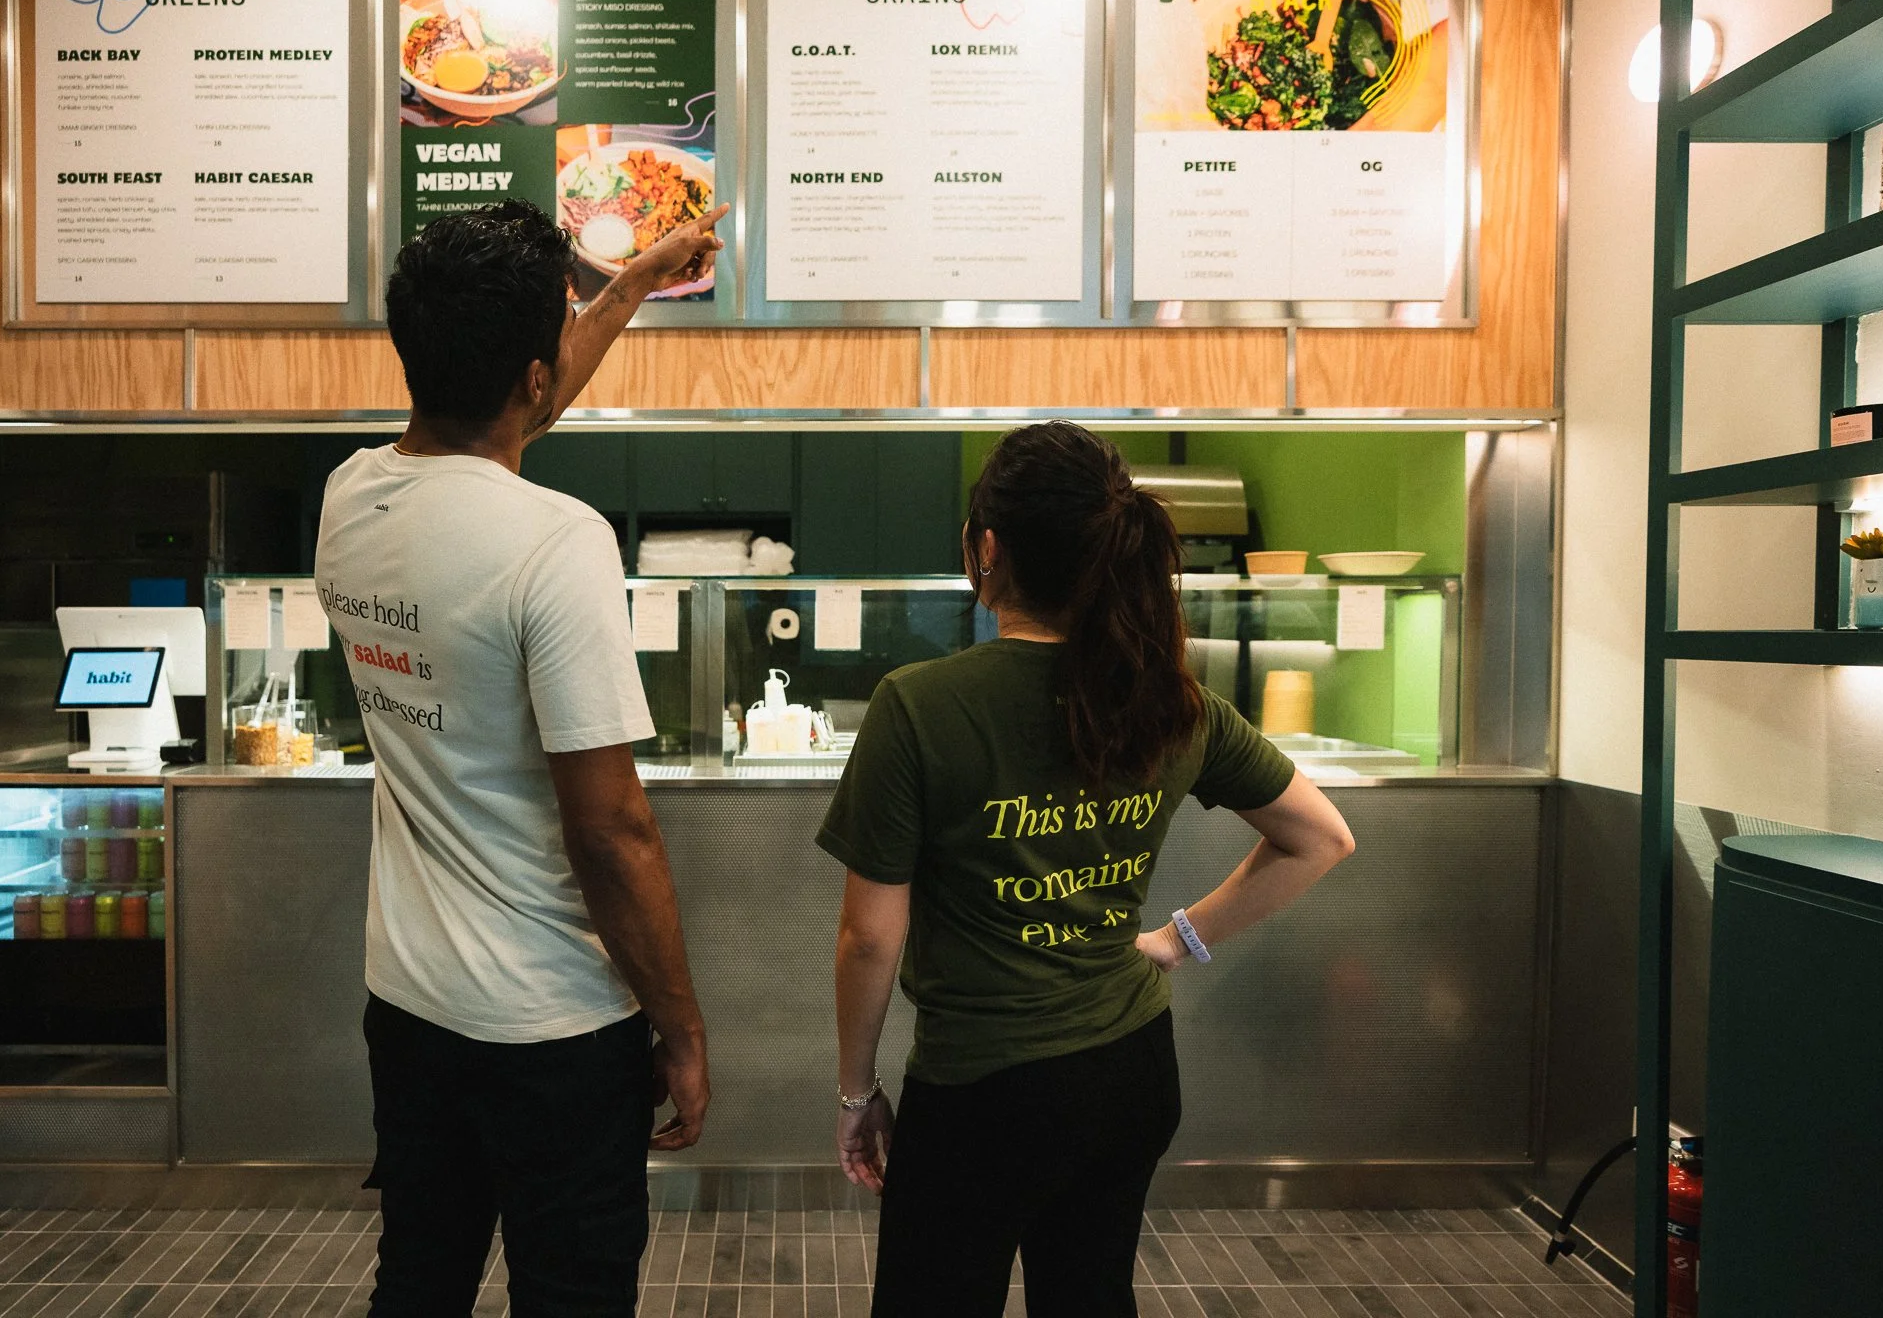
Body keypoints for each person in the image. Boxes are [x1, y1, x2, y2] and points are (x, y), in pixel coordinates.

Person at [818, 421, 1357, 1318]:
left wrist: (856, 1090)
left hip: (982, 1091)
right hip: (1130, 1069)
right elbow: (1321, 837)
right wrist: (1180, 940)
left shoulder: (918, 706)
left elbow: (870, 938)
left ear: (986, 549)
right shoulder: (1174, 701)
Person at [315, 197, 727, 1317]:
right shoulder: (558, 544)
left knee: (421, 1277)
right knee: (574, 1294)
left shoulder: (349, 497)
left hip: (408, 1008)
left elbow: (513, 408)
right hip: (555, 1028)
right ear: (536, 378)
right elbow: (611, 828)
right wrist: (679, 1026)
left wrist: (632, 282)